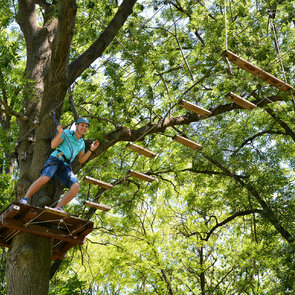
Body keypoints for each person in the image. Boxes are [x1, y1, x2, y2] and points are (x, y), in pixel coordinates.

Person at [20, 117, 99, 212]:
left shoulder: (81, 143)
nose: (84, 128)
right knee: (45, 178)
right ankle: (24, 198)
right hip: (57, 157)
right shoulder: (66, 133)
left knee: (76, 187)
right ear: (76, 125)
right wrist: (60, 133)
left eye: (86, 126)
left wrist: (91, 150)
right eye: (82, 125)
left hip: (65, 165)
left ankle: (58, 207)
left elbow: (81, 160)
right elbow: (53, 145)